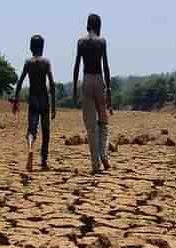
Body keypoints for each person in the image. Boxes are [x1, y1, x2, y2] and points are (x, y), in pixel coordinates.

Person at [73, 14, 112, 174]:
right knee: (103, 121)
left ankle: (95, 165)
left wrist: (75, 88)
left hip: (87, 79)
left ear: (87, 25)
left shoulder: (81, 42)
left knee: (90, 125)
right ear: (99, 26)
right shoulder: (101, 41)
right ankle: (103, 153)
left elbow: (76, 65)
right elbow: (106, 66)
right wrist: (108, 88)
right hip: (99, 79)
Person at [12, 35, 56, 172]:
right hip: (44, 98)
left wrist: (16, 100)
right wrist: (54, 105)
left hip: (33, 98)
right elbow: (52, 83)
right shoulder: (46, 62)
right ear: (42, 47)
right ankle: (43, 160)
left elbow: (20, 82)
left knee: (32, 129)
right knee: (45, 131)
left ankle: (31, 148)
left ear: (31, 47)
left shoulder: (28, 63)